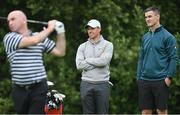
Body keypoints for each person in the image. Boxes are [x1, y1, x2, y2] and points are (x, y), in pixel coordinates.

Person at [3, 10, 66, 114]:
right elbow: (34, 41)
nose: (10, 22)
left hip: (39, 87)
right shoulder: (9, 38)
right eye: (8, 20)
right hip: (19, 89)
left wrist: (60, 31)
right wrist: (50, 28)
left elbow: (60, 52)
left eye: (13, 19)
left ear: (23, 20)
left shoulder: (40, 36)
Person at [136, 6, 178, 114]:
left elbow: (173, 58)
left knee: (161, 111)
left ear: (157, 17)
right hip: (144, 80)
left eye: (150, 16)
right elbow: (141, 58)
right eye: (146, 17)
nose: (147, 19)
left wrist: (169, 77)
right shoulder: (145, 37)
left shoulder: (168, 37)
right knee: (145, 112)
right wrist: (138, 77)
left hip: (161, 80)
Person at [75, 19, 113, 114]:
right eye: (88, 28)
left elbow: (104, 61)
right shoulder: (82, 46)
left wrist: (87, 60)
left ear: (99, 29)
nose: (90, 31)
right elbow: (79, 65)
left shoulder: (108, 45)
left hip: (102, 84)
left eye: (92, 28)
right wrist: (97, 61)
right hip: (86, 84)